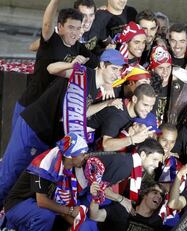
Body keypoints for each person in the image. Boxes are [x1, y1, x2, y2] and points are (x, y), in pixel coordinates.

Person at [0, 49, 127, 209]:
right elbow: (51, 68)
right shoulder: (83, 75)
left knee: (25, 179)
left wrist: (106, 104)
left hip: (47, 136)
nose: (117, 74)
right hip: (34, 126)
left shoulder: (95, 87)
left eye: (119, 70)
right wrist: (71, 65)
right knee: (9, 174)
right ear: (102, 65)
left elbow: (82, 112)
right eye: (114, 69)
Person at [2, 133, 89, 231]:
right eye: (82, 154)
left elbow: (59, 201)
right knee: (45, 215)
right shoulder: (45, 162)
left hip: (35, 211)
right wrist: (70, 210)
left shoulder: (68, 167)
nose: (85, 157)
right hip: (18, 205)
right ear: (71, 155)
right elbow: (42, 201)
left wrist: (77, 220)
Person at [14, 1, 99, 128]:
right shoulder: (52, 40)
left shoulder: (77, 47)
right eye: (71, 27)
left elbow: (97, 64)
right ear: (60, 27)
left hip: (48, 112)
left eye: (77, 28)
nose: (74, 32)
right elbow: (47, 23)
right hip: (29, 105)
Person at [87, 83, 157, 151]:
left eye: (151, 106)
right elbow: (106, 145)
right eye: (145, 105)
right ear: (134, 99)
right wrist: (132, 139)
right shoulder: (118, 114)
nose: (148, 110)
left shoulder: (131, 110)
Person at [148, 45, 173, 124]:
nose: (165, 72)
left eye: (168, 67)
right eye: (161, 68)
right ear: (153, 69)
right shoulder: (146, 86)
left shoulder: (176, 85)